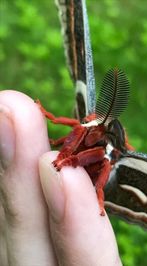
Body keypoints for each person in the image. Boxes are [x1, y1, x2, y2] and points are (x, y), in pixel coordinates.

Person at [0, 90, 122, 266]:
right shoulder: (86, 127)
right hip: (61, 176)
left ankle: (84, 177)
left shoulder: (104, 151)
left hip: (90, 175)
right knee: (80, 127)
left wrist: (99, 194)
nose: (92, 129)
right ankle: (63, 155)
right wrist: (53, 120)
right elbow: (79, 125)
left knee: (103, 158)